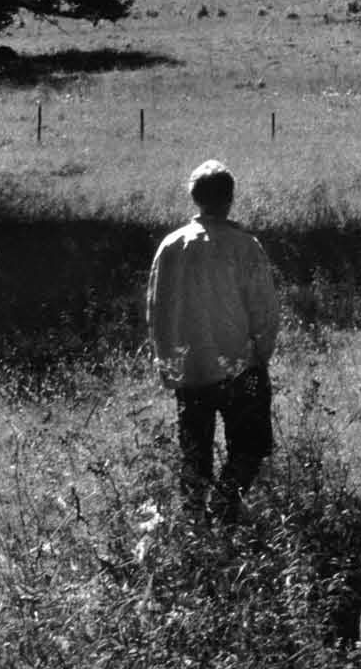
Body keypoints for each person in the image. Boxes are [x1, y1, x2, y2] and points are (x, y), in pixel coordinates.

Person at [146, 159, 281, 515]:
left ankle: (195, 526)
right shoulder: (244, 246)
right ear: (230, 197)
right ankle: (223, 509)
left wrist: (170, 368)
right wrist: (260, 358)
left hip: (190, 372)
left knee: (194, 455)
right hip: (242, 368)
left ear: (195, 198)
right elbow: (264, 311)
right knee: (251, 448)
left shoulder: (171, 247)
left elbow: (157, 311)